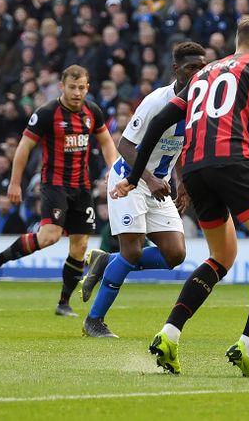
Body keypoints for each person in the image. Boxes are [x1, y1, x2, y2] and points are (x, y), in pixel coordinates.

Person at [112, 15, 249, 377]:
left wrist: (134, 178)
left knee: (222, 256)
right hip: (233, 162)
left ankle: (169, 334)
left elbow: (159, 122)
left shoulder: (203, 73)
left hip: (195, 170)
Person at [78, 42, 207, 338]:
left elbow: (179, 147)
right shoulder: (156, 102)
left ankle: (106, 262)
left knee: (175, 254)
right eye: (191, 68)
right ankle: (94, 320)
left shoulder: (200, 105)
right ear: (176, 69)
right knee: (133, 251)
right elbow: (124, 145)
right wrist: (148, 179)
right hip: (131, 181)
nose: (198, 73)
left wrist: (181, 184)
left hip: (159, 185)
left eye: (202, 68)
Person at [0, 65, 118, 317]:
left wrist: (112, 169)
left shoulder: (92, 111)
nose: (77, 93)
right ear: (62, 87)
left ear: (87, 88)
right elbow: (24, 147)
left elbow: (107, 142)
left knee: (80, 245)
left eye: (81, 87)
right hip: (55, 184)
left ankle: (63, 303)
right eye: (72, 87)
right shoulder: (47, 113)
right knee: (49, 237)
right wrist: (14, 182)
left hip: (82, 187)